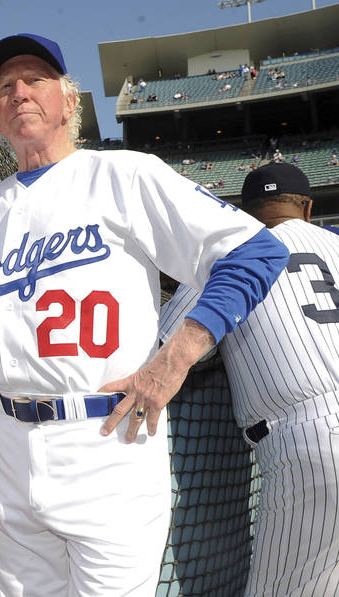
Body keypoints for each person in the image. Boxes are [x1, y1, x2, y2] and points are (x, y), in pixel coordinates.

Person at [0, 33, 288, 596]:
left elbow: (254, 251)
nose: (19, 91)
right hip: (9, 451)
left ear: (68, 99)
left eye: (35, 79)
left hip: (106, 437)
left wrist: (172, 361)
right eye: (5, 86)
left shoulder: (125, 174)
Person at [159, 162, 339, 597]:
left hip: (311, 444)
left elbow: (162, 343)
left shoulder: (232, 250)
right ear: (308, 207)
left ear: (242, 210)